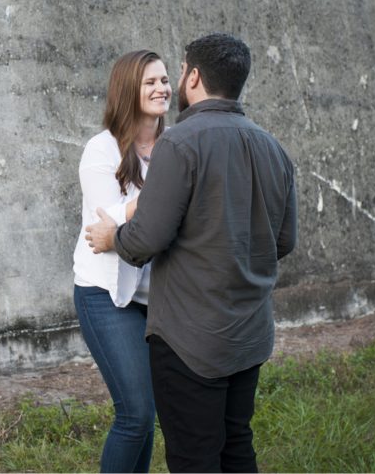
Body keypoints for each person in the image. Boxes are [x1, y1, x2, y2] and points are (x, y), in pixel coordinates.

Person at [85, 33, 297, 473]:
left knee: (193, 456)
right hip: (250, 331)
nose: (170, 84)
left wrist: (115, 239)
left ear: (194, 76)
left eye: (175, 73)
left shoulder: (179, 144)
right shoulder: (274, 147)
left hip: (190, 338)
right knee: (237, 443)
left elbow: (144, 240)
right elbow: (283, 241)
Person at [72, 49, 172, 473]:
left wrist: (145, 204)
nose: (162, 88)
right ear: (128, 90)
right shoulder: (102, 149)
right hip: (105, 294)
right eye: (150, 82)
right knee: (134, 413)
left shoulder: (173, 144)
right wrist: (163, 196)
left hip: (158, 296)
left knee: (145, 416)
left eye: (165, 80)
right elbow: (107, 229)